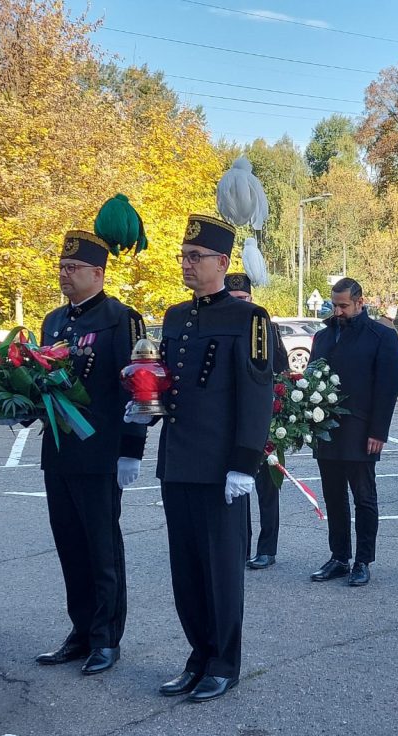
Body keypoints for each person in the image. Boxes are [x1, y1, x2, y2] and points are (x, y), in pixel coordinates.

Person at [129, 214, 273, 703]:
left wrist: (244, 462)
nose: (187, 264)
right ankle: (198, 655)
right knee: (186, 569)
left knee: (221, 570)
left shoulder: (249, 318)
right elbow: (169, 381)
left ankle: (224, 663)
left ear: (222, 262)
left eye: (196, 257)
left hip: (220, 467)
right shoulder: (175, 317)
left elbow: (256, 394)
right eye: (183, 257)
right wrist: (144, 404)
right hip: (178, 460)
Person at [34, 225, 148, 676]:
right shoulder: (54, 322)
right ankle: (80, 631)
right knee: (70, 546)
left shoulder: (122, 319)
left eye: (73, 267)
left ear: (98, 273)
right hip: (59, 451)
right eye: (61, 267)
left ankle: (105, 637)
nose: (64, 274)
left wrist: (131, 449)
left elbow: (136, 388)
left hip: (100, 451)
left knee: (102, 549)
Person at [308, 278, 398, 587]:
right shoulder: (323, 336)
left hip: (361, 430)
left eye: (344, 306)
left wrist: (379, 431)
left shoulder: (381, 336)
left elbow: (388, 387)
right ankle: (339, 557)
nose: (338, 311)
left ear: (360, 303)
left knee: (364, 497)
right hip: (326, 429)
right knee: (333, 497)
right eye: (335, 305)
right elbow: (312, 378)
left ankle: (363, 560)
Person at [227, 272, 290, 570]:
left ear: (251, 298)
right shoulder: (221, 328)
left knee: (268, 488)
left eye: (244, 298)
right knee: (235, 491)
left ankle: (267, 549)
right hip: (230, 421)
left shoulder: (267, 328)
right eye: (234, 299)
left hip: (267, 420)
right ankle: (240, 547)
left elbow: (283, 370)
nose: (240, 303)